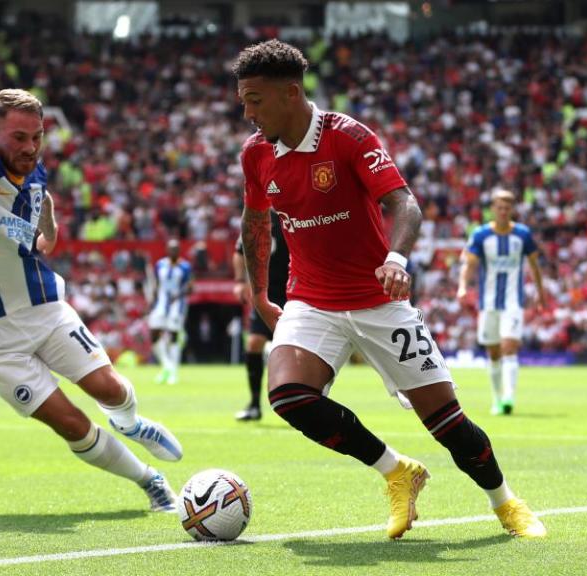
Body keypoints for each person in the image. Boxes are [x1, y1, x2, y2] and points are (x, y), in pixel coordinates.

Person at [234, 39, 545, 539]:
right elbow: (255, 222)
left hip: (379, 299)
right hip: (310, 298)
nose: (246, 111)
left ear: (290, 93)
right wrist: (258, 293)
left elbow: (405, 205)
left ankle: (505, 503)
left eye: (254, 99)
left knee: (447, 424)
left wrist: (396, 259)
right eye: (243, 99)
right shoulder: (256, 154)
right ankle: (396, 470)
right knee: (289, 396)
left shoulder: (348, 136)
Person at [0, 89, 181, 512]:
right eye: (18, 137)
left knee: (109, 388)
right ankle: (149, 481)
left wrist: (50, 227)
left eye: (36, 136)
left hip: (43, 307)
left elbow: (42, 196)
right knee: (72, 423)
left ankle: (131, 423)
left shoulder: (33, 168)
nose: (30, 147)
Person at [456, 189, 546, 415]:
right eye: (499, 207)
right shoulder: (481, 235)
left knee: (509, 347)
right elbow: (469, 264)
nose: (503, 211)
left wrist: (540, 293)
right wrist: (463, 286)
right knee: (494, 353)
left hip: (513, 302)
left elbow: (535, 267)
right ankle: (496, 398)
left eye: (507, 208)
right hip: (488, 303)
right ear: (493, 209)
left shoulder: (523, 235)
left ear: (512, 210)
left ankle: (508, 398)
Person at [233, 210, 288, 421]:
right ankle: (254, 404)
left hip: (296, 290)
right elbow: (239, 251)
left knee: (297, 349)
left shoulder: (295, 214)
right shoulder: (257, 218)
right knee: (254, 342)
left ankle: (310, 402)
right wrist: (239, 282)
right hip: (266, 292)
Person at [146, 239, 192, 385]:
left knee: (173, 336)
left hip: (177, 306)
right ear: (167, 250)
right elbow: (156, 284)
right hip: (160, 305)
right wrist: (152, 299)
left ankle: (173, 374)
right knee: (153, 333)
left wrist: (178, 295)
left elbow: (190, 287)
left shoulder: (185, 267)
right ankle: (167, 366)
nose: (173, 251)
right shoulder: (160, 264)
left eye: (176, 249)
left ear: (179, 251)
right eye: (171, 249)